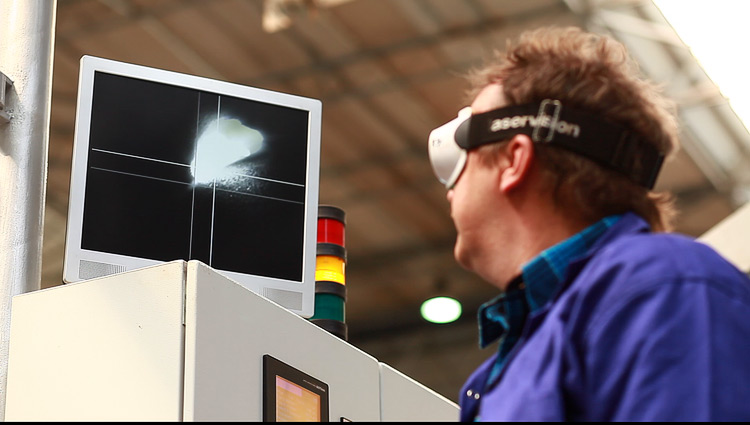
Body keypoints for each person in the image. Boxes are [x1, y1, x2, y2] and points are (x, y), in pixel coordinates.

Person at [426, 26, 750, 421]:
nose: (451, 184)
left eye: (463, 147)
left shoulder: (664, 283)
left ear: (514, 160)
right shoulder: (496, 378)